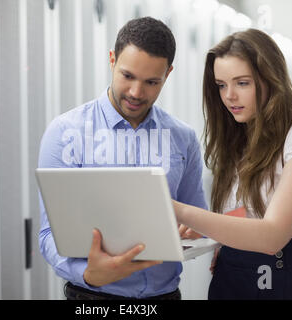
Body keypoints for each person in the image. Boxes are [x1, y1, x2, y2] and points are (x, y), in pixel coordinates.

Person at [38, 17, 207, 300]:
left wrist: (194, 230)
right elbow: (48, 235)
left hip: (164, 296)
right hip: (92, 296)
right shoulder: (66, 132)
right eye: (127, 76)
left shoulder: (183, 138)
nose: (136, 93)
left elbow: (198, 222)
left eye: (152, 82)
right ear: (112, 60)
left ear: (168, 73)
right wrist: (88, 274)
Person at [173, 28, 292, 299]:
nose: (229, 96)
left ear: (271, 79)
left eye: (242, 83)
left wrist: (180, 211)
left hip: (284, 282)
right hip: (232, 280)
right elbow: (253, 209)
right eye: (221, 85)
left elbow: (272, 235)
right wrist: (213, 228)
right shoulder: (237, 141)